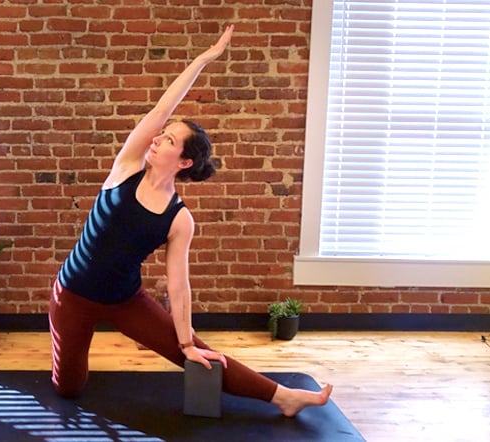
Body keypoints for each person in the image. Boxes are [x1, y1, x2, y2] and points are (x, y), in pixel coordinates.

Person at [49, 24, 332, 417]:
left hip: (125, 300)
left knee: (199, 353)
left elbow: (179, 287)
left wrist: (185, 343)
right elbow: (161, 108)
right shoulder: (127, 166)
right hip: (72, 295)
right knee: (68, 388)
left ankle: (283, 396)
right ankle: (72, 369)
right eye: (161, 135)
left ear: (183, 162)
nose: (157, 138)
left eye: (168, 140)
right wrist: (203, 59)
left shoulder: (179, 219)